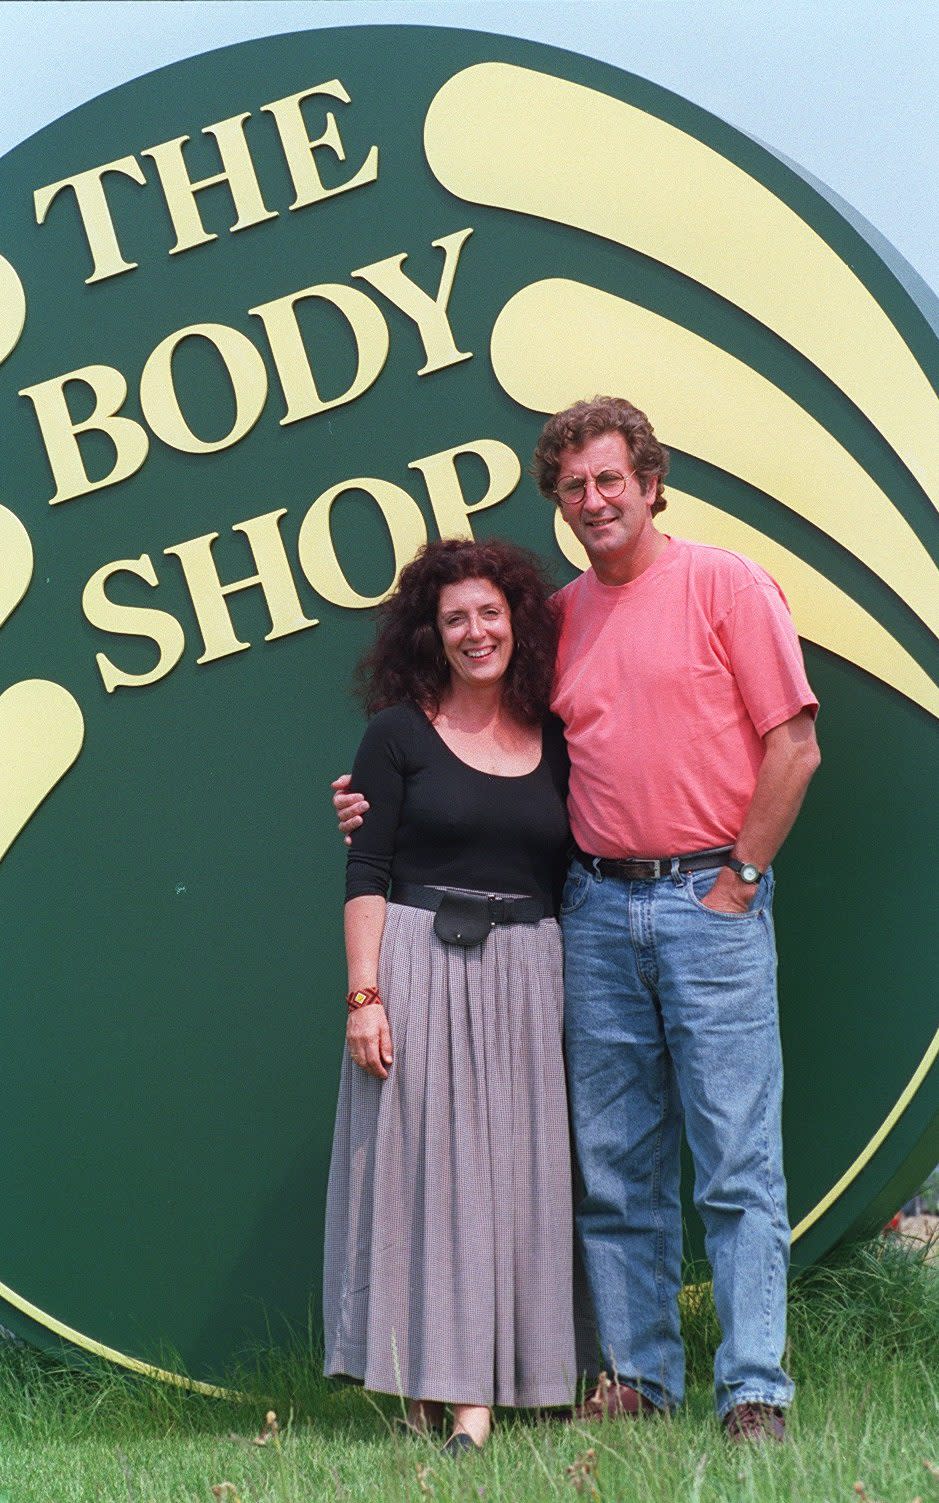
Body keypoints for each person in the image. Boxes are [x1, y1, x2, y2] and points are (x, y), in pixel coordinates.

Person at [335, 396, 821, 1444]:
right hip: (593, 910)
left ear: (650, 482)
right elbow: (490, 748)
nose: (594, 501)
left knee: (736, 1164)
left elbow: (795, 746)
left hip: (708, 899)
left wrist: (739, 878)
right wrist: (377, 798)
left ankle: (753, 1391)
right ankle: (641, 1378)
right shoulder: (558, 620)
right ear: (557, 505)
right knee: (615, 1166)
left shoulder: (726, 585)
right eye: (572, 488)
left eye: (610, 480)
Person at [323, 537, 578, 1454]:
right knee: (417, 1180)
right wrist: (365, 997)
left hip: (527, 971)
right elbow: (368, 869)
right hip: (419, 963)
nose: (475, 632)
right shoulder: (396, 734)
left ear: (518, 622)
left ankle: (479, 1388)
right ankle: (434, 1396)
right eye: (455, 618)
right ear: (431, 633)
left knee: (513, 1183)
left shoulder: (558, 733)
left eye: (489, 614)